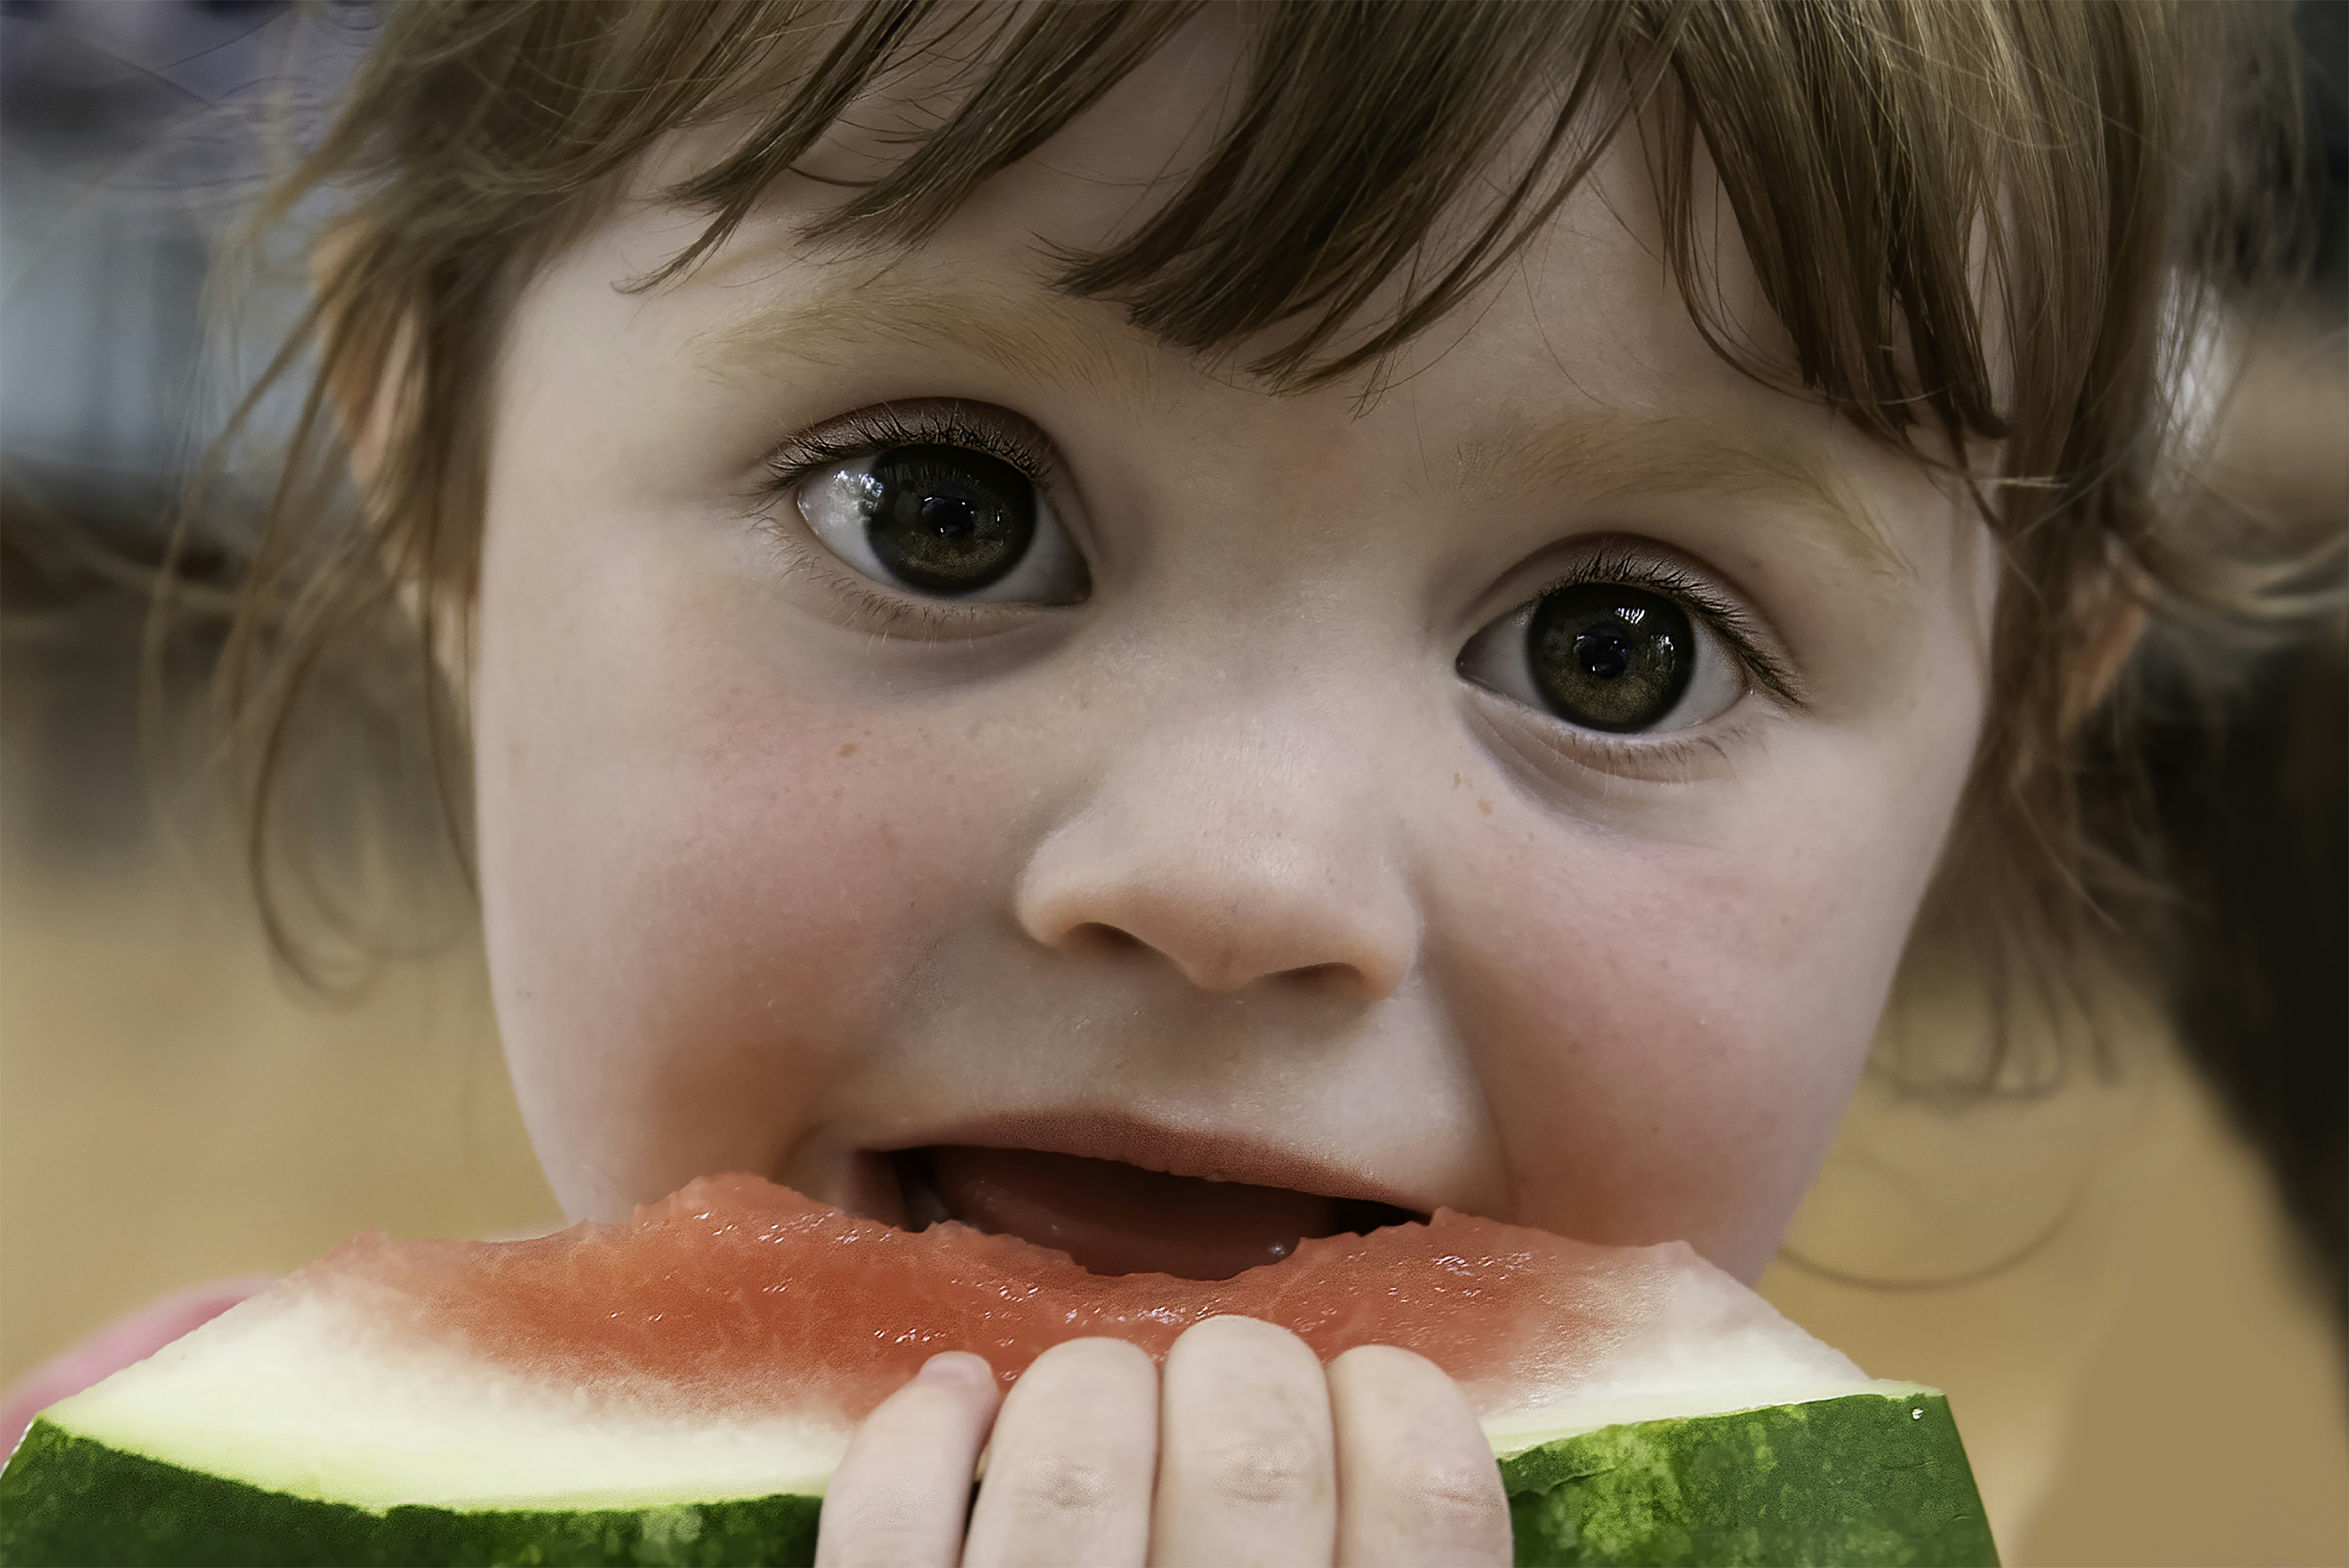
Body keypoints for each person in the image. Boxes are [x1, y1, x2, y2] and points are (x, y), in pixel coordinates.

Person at [4, 4, 2317, 1563]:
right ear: (438, 475)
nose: (1236, 876)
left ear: (2000, 737)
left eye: (1611, 652)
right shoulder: (167, 1483)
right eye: (942, 513)